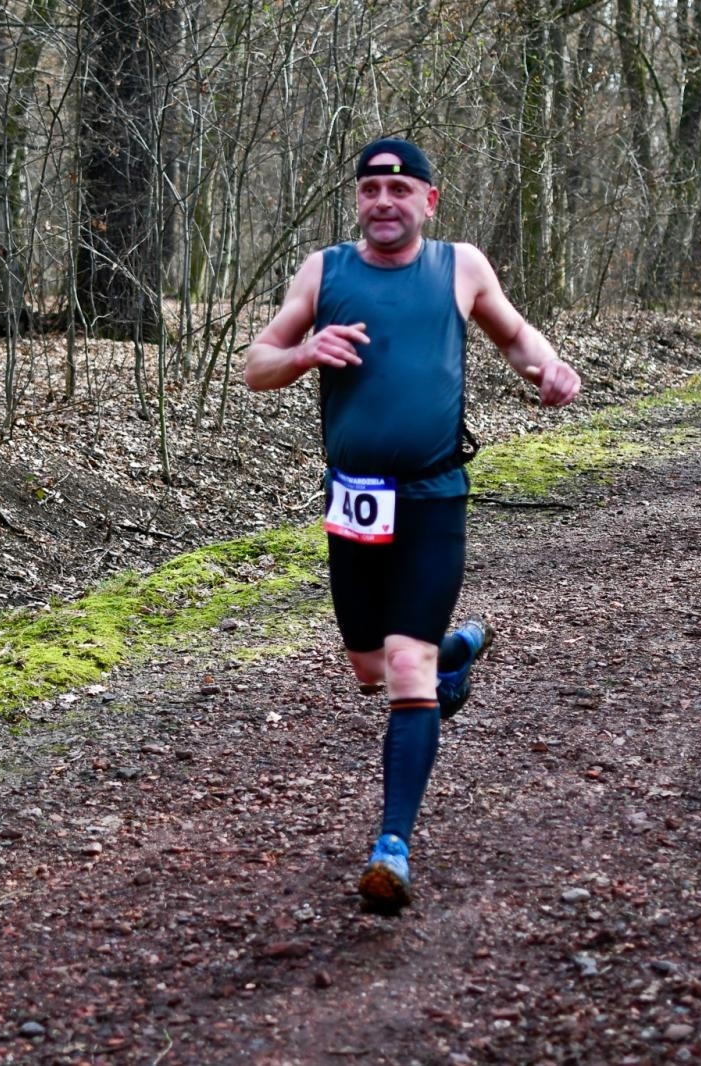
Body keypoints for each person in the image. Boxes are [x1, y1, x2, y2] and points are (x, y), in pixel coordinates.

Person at [243, 137, 581, 914]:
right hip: (354, 500)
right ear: (358, 200)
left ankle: (392, 847)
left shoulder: (460, 267)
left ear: (429, 201)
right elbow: (256, 365)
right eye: (370, 190)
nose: (383, 202)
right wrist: (304, 353)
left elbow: (515, 337)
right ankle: (452, 658)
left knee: (402, 667)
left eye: (400, 191)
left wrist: (549, 369)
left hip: (432, 496)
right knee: (371, 668)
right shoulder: (324, 272)